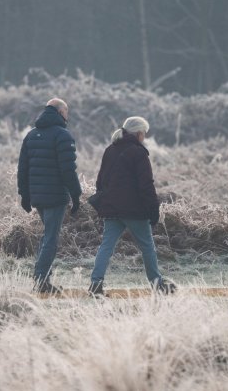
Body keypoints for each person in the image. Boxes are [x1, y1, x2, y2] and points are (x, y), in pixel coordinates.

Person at [88, 116, 176, 297]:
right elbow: (146, 185)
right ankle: (157, 285)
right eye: (144, 133)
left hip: (112, 208)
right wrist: (153, 210)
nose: (144, 137)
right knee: (147, 247)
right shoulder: (138, 153)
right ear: (139, 133)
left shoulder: (110, 150)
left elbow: (100, 181)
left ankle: (95, 284)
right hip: (134, 210)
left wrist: (105, 200)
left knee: (106, 246)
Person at [17, 98, 82, 294]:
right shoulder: (62, 136)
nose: (67, 116)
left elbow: (23, 169)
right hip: (55, 196)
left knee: (47, 237)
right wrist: (76, 195)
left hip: (38, 196)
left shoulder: (31, 135)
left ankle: (41, 277)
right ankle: (41, 281)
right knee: (51, 239)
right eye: (67, 112)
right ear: (61, 112)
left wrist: (25, 195)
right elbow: (68, 170)